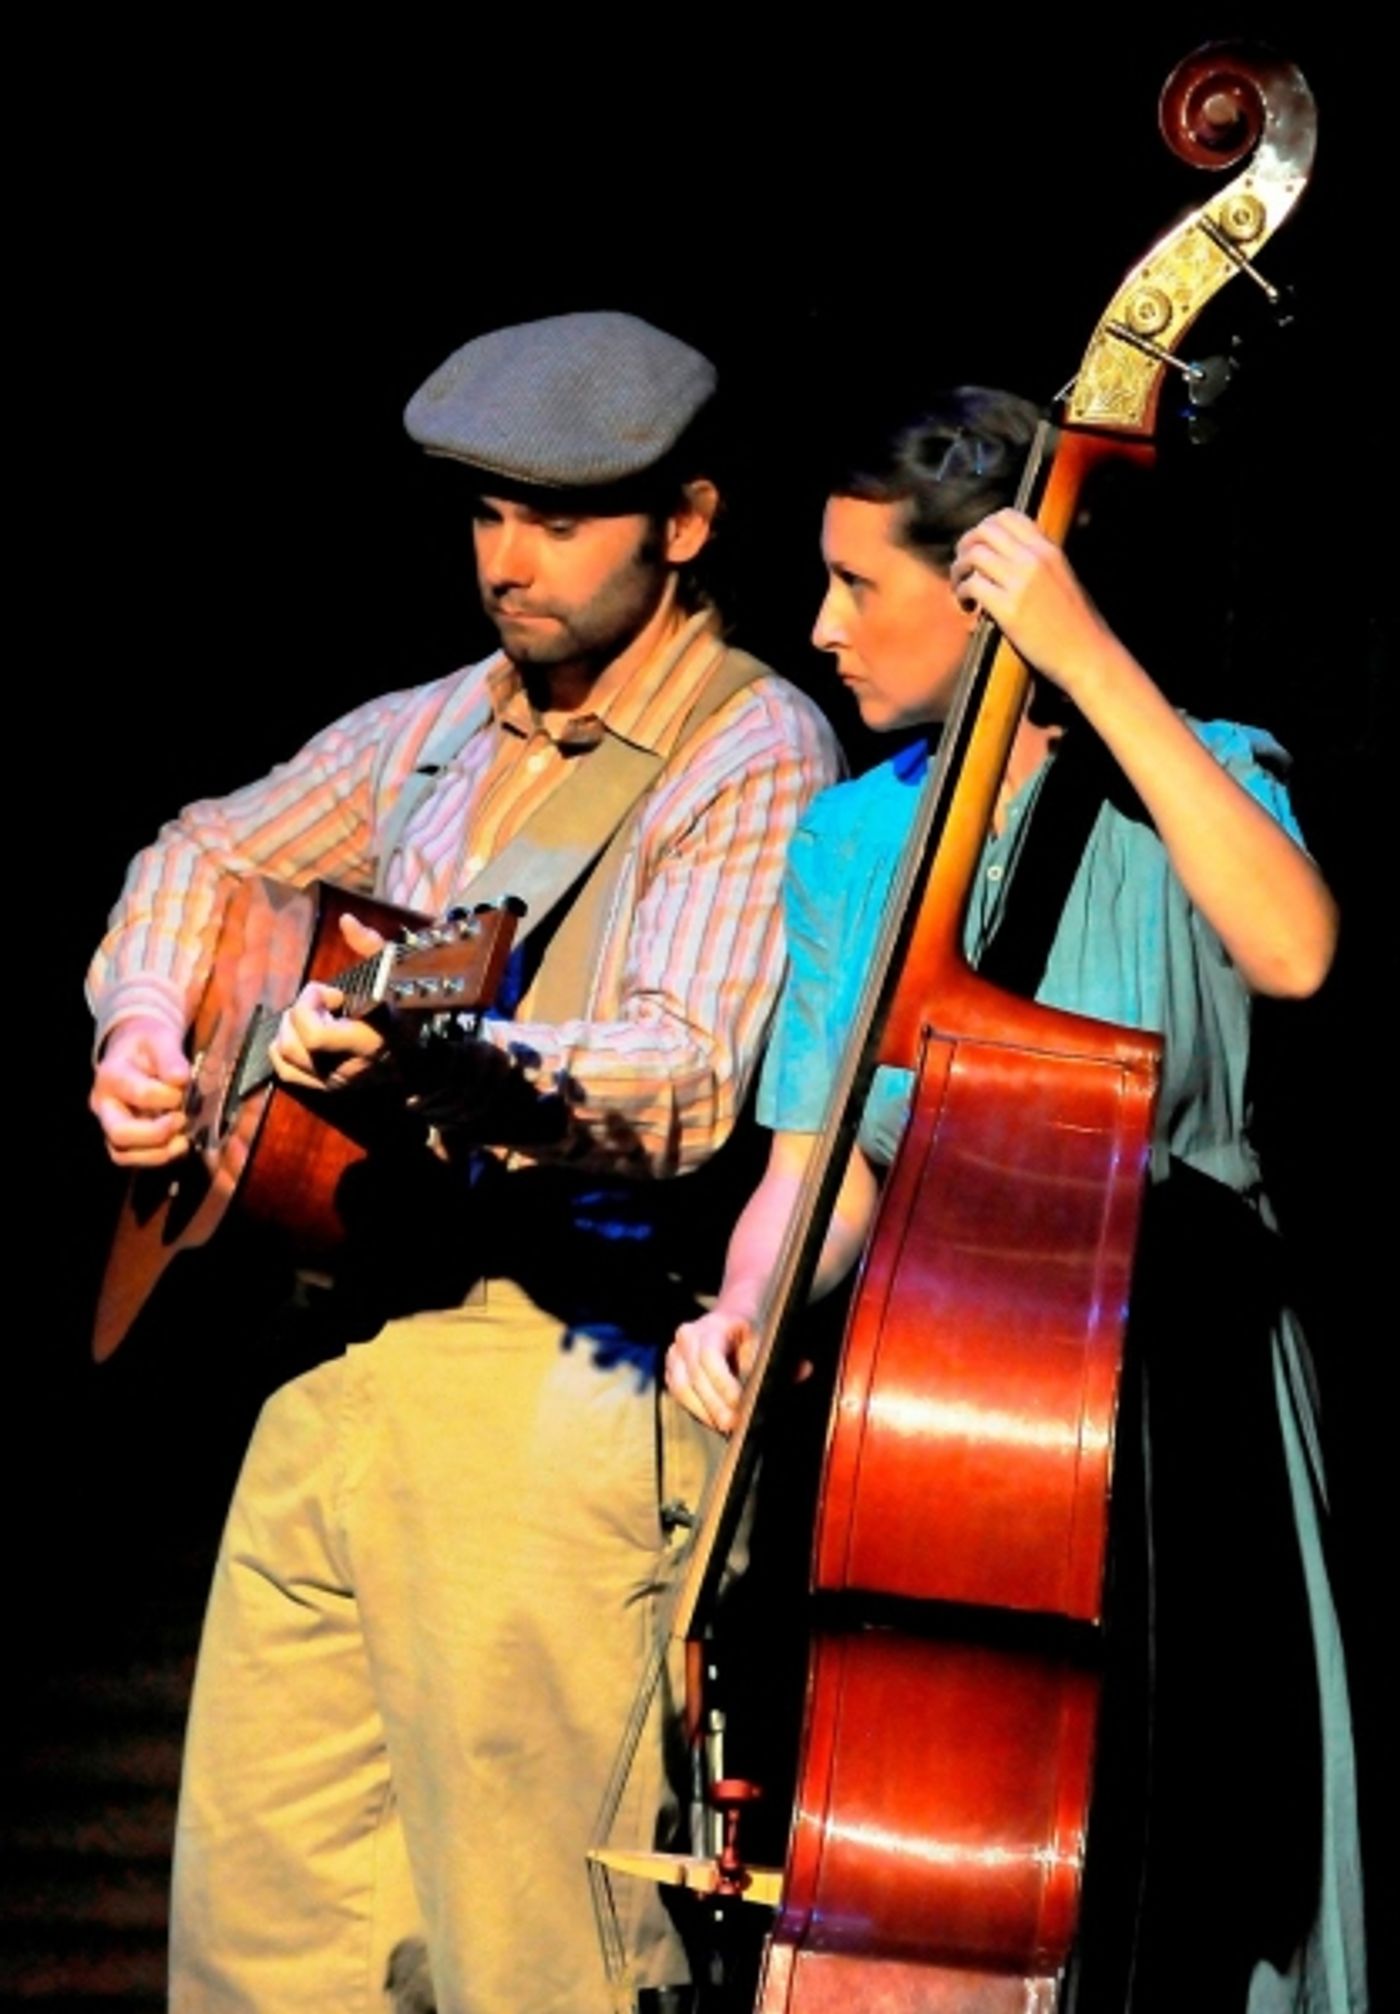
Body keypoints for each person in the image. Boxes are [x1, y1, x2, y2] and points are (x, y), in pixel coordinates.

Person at [85, 308, 842, 2014]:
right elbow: (202, 852)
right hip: (336, 1364)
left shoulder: (749, 744)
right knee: (269, 1950)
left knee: (535, 1958)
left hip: (558, 1383)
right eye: (489, 515)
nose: (509, 561)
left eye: (558, 520)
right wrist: (144, 1034)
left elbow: (688, 1072)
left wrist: (461, 1063)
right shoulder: (431, 727)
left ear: (686, 522)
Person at [666, 386, 1368, 2011]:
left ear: (990, 588)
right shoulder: (854, 839)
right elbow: (820, 1168)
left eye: (861, 584)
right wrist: (746, 1304)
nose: (821, 626)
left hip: (1191, 1415)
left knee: (1201, 1898)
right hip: (959, 1439)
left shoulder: (1202, 776)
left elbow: (1296, 949)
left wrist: (1086, 651)